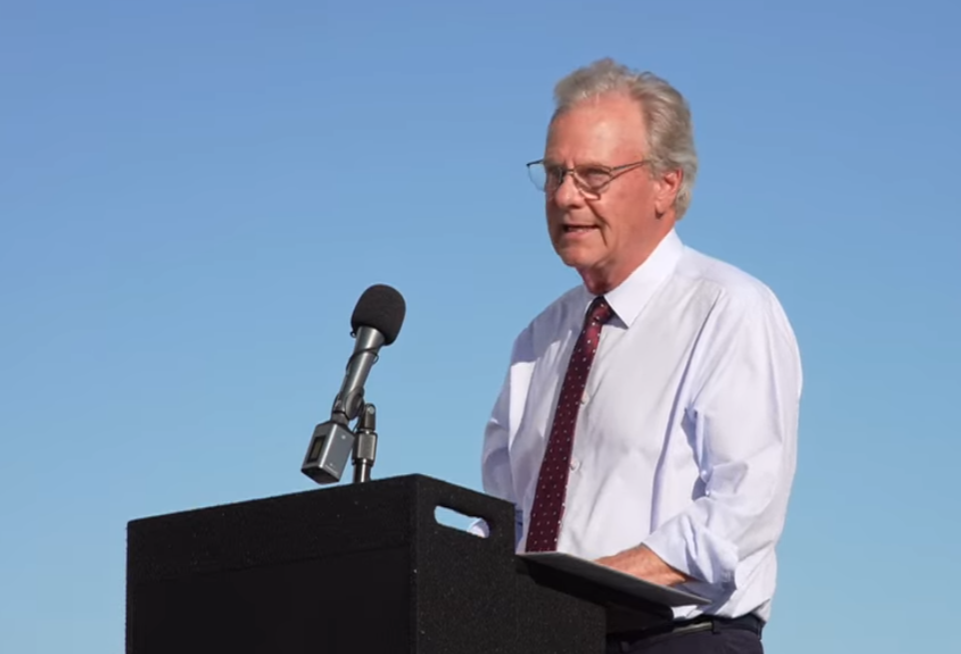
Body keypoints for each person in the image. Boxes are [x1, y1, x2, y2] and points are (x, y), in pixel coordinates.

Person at [478, 58, 802, 654]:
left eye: (594, 175)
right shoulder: (537, 340)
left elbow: (742, 512)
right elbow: (505, 513)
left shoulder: (729, 311)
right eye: (554, 174)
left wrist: (594, 581)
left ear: (666, 183)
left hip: (679, 639)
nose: (566, 196)